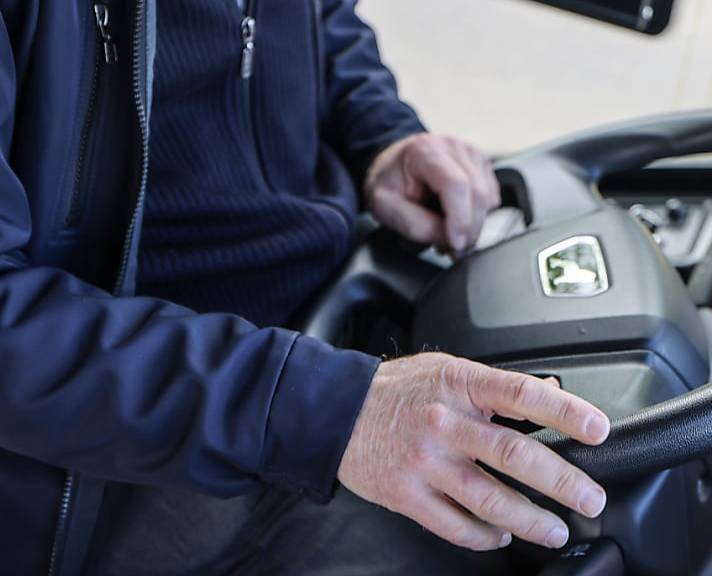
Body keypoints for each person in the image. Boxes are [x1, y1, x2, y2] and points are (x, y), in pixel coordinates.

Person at [0, 1, 610, 574]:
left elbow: (321, 17)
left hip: (331, 328)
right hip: (120, 452)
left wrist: (382, 135)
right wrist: (322, 410)